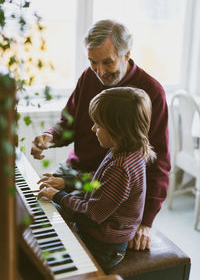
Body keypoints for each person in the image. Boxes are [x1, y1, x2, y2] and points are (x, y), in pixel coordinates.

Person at [31, 19, 171, 250]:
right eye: (93, 62)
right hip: (79, 174)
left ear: (126, 54)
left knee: (55, 240)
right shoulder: (89, 77)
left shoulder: (151, 92)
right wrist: (49, 136)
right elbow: (69, 122)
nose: (100, 72)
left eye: (107, 62)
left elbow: (160, 161)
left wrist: (145, 222)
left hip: (113, 184)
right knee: (34, 215)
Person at [38, 87, 156, 271]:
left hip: (102, 247)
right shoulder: (122, 151)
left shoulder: (121, 167)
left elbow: (91, 215)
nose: (93, 128)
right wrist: (66, 182)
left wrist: (58, 195)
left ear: (119, 130)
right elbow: (98, 180)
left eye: (99, 125)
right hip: (97, 232)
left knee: (46, 248)